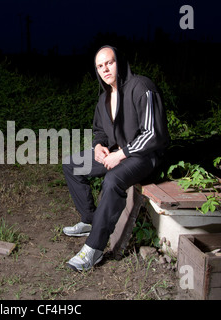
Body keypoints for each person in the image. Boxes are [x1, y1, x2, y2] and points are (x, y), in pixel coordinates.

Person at [62, 45, 170, 271]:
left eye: (109, 62)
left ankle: (94, 248)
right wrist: (99, 146)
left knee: (112, 181)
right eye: (100, 66)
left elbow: (153, 134)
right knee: (72, 164)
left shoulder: (142, 87)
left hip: (145, 156)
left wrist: (121, 154)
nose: (105, 69)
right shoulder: (104, 98)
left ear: (119, 62)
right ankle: (89, 219)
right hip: (118, 152)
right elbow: (99, 130)